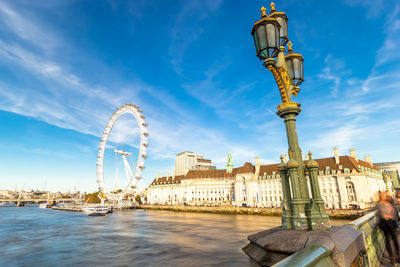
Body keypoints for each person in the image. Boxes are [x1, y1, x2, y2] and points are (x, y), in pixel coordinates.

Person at [377, 191, 400, 264]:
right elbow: (381, 214)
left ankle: (397, 255)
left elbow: (394, 210)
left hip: (390, 223)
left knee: (394, 239)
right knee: (388, 239)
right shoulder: (379, 204)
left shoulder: (389, 202)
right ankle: (392, 257)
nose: (384, 196)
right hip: (384, 223)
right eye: (383, 195)